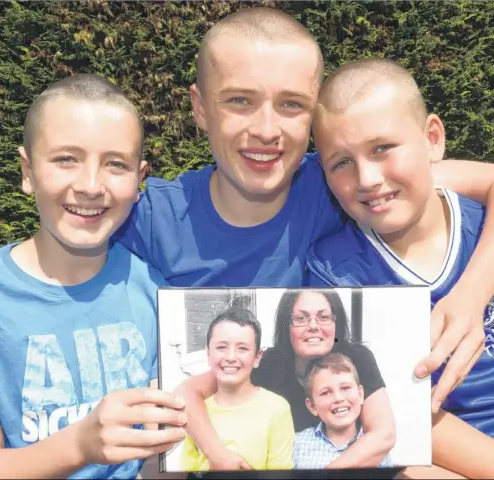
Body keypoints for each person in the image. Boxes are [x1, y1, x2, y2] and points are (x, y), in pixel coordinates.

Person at [113, 11, 494, 469]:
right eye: (239, 100)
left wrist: (472, 294)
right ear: (199, 108)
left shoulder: (338, 183)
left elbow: (430, 179)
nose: (267, 129)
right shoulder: (153, 216)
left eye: (291, 105)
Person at [0, 74, 187, 479]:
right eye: (66, 159)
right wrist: (79, 445)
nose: (91, 185)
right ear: (27, 171)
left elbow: (165, 453)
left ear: (139, 179)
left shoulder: (153, 288)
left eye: (116, 164)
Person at [306, 58, 494, 478]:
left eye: (382, 148)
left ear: (432, 138)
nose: (368, 178)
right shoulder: (336, 275)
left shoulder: (483, 226)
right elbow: (393, 412)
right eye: (341, 163)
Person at [178, 289, 397, 478]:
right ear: (287, 325)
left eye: (323, 317)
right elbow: (186, 392)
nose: (313, 326)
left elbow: (383, 435)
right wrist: (218, 454)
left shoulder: (356, 357)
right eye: (301, 318)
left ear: (336, 322)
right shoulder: (270, 362)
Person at [179, 307, 294, 472]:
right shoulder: (197, 412)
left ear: (257, 357)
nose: (231, 357)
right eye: (221, 347)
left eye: (242, 348)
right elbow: (188, 470)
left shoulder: (277, 408)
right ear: (208, 353)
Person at [294, 353, 392, 469]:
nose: (338, 398)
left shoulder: (376, 449)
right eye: (325, 392)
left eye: (345, 388)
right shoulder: (297, 445)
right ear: (312, 406)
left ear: (360, 394)